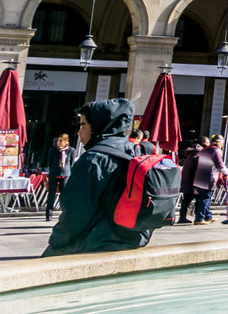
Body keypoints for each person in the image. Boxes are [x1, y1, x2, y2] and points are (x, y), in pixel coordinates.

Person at [43, 98, 149, 256]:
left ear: (99, 126)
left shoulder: (93, 159)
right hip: (132, 239)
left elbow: (75, 212)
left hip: (95, 243)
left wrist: (56, 242)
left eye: (83, 125)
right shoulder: (136, 151)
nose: (79, 132)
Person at [192, 135, 228, 224]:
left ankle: (208, 216)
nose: (222, 145)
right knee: (205, 198)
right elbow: (220, 164)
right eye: (222, 143)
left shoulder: (205, 149)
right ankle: (199, 219)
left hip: (199, 176)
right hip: (208, 177)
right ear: (218, 142)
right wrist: (225, 173)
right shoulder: (216, 150)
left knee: (203, 197)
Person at [44, 133, 76, 222]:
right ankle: (48, 214)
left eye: (61, 141)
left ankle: (65, 214)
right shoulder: (53, 150)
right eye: (58, 140)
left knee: (64, 195)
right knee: (51, 195)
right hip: (54, 173)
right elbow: (49, 162)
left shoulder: (71, 150)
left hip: (65, 174)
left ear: (66, 142)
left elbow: (72, 163)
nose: (59, 142)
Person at [177, 136, 204, 224]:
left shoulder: (190, 153)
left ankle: (183, 217)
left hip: (188, 180)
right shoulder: (197, 153)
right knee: (198, 199)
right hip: (194, 180)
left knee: (187, 200)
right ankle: (197, 217)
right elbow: (194, 166)